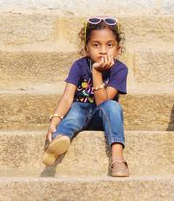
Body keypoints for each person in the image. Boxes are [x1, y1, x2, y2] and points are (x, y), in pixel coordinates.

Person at [42, 17, 129, 177]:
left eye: (109, 45)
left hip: (102, 117)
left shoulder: (120, 69)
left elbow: (102, 101)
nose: (103, 50)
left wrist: (96, 72)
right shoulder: (79, 65)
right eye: (96, 45)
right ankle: (59, 139)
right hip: (80, 113)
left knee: (113, 106)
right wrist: (55, 119)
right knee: (76, 108)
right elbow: (68, 97)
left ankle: (117, 159)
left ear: (118, 49)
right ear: (86, 48)